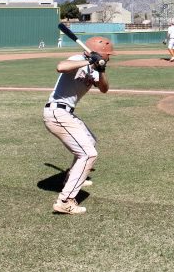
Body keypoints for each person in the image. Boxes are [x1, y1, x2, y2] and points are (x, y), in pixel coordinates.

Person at [43, 36, 114, 214]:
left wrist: (101, 69)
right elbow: (60, 67)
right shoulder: (78, 59)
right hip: (57, 112)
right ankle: (65, 200)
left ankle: (70, 177)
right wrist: (87, 60)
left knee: (90, 142)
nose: (110, 58)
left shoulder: (95, 68)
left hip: (67, 113)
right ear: (99, 53)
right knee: (88, 154)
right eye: (108, 55)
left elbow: (104, 89)